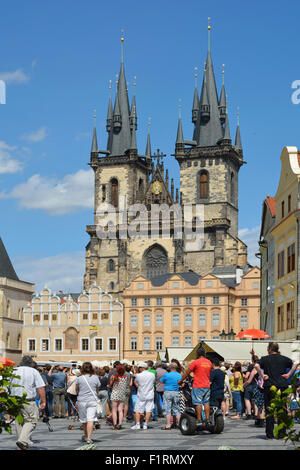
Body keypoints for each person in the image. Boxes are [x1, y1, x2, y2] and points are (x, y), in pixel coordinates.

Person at [254, 342, 299, 440]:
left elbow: (256, 365)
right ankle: (281, 434)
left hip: (269, 385)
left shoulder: (265, 359)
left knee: (269, 410)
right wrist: (288, 374)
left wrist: (263, 375)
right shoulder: (284, 358)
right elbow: (295, 363)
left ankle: (269, 435)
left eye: (267, 347)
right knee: (282, 410)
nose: (267, 349)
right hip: (282, 385)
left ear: (270, 348)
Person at [10, 355, 46, 450]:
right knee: (31, 420)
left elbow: (5, 388)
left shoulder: (13, 371)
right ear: (31, 363)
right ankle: (22, 440)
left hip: (15, 400)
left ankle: (22, 444)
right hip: (28, 400)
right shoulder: (34, 371)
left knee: (19, 421)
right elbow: (40, 388)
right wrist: (43, 402)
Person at [179, 347, 213, 426]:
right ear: (204, 354)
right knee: (206, 402)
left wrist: (180, 381)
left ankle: (199, 419)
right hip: (207, 385)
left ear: (197, 354)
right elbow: (210, 372)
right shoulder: (209, 362)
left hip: (198, 385)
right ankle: (207, 419)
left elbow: (187, 372)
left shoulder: (196, 362)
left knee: (198, 402)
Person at [75, 362, 100, 444]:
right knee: (90, 419)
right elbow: (97, 390)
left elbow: (77, 390)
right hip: (92, 400)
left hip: (82, 400)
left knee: (84, 420)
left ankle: (86, 436)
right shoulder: (96, 378)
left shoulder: (79, 378)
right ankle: (89, 438)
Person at [131, 362, 155, 430]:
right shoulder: (152, 375)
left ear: (141, 368)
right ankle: (145, 424)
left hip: (141, 394)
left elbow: (136, 382)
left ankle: (138, 424)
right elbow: (153, 383)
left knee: (137, 409)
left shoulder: (139, 375)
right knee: (148, 410)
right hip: (150, 394)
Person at [160, 363, 182, 430]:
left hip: (167, 392)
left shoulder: (166, 375)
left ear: (170, 368)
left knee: (167, 409)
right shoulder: (179, 375)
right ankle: (179, 424)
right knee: (177, 409)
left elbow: (161, 381)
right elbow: (180, 382)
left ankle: (168, 425)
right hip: (176, 392)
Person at [109, 364, 128, 430]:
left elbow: (110, 385)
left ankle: (115, 424)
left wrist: (109, 385)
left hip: (115, 394)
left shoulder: (113, 377)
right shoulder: (125, 377)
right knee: (120, 410)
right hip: (122, 394)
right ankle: (120, 424)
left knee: (114, 410)